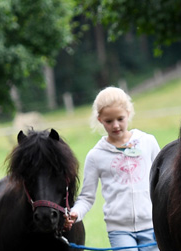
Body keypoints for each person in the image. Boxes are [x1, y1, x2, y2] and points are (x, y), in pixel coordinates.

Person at [66, 87, 160, 251]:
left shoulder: (148, 142)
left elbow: (162, 179)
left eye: (120, 119)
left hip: (152, 225)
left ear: (128, 113)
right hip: (119, 231)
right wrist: (75, 213)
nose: (115, 125)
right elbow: (87, 197)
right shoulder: (95, 156)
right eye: (109, 121)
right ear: (100, 119)